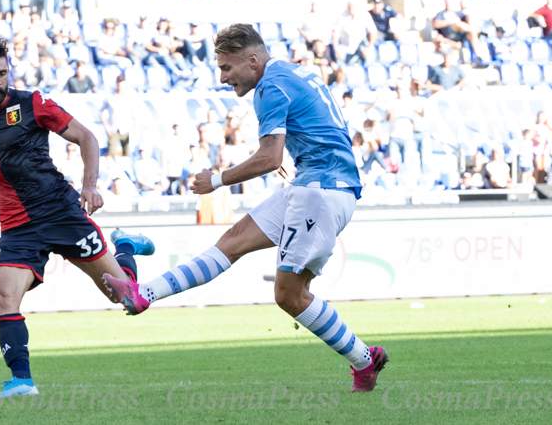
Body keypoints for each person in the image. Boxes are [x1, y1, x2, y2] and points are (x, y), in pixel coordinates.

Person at [104, 24, 388, 393]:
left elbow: (269, 158)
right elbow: (314, 129)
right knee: (233, 239)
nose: (223, 78)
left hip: (320, 191)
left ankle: (366, 360)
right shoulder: (290, 72)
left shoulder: (270, 87)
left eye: (226, 68)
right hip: (314, 182)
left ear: (253, 60)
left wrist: (217, 180)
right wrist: (299, 155)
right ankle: (144, 294)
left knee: (289, 295)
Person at [0, 36, 150, 398]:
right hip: (17, 227)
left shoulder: (33, 103)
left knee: (130, 301)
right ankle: (22, 381)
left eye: (3, 73)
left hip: (62, 212)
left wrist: (90, 186)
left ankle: (126, 248)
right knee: (3, 297)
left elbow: (87, 137)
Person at [100, 75, 136, 156]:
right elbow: (101, 112)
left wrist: (132, 126)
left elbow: (135, 114)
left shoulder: (130, 97)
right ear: (116, 83)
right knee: (111, 153)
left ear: (125, 83)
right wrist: (106, 126)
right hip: (114, 129)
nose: (120, 84)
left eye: (122, 82)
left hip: (126, 129)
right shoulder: (110, 96)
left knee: (127, 155)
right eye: (119, 82)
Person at [333, 0, 376, 64]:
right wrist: (336, 48)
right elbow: (334, 34)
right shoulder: (341, 16)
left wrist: (369, 46)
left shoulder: (365, 15)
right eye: (349, 6)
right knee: (339, 60)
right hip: (345, 46)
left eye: (353, 6)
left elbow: (372, 31)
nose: (351, 7)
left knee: (370, 55)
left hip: (361, 45)